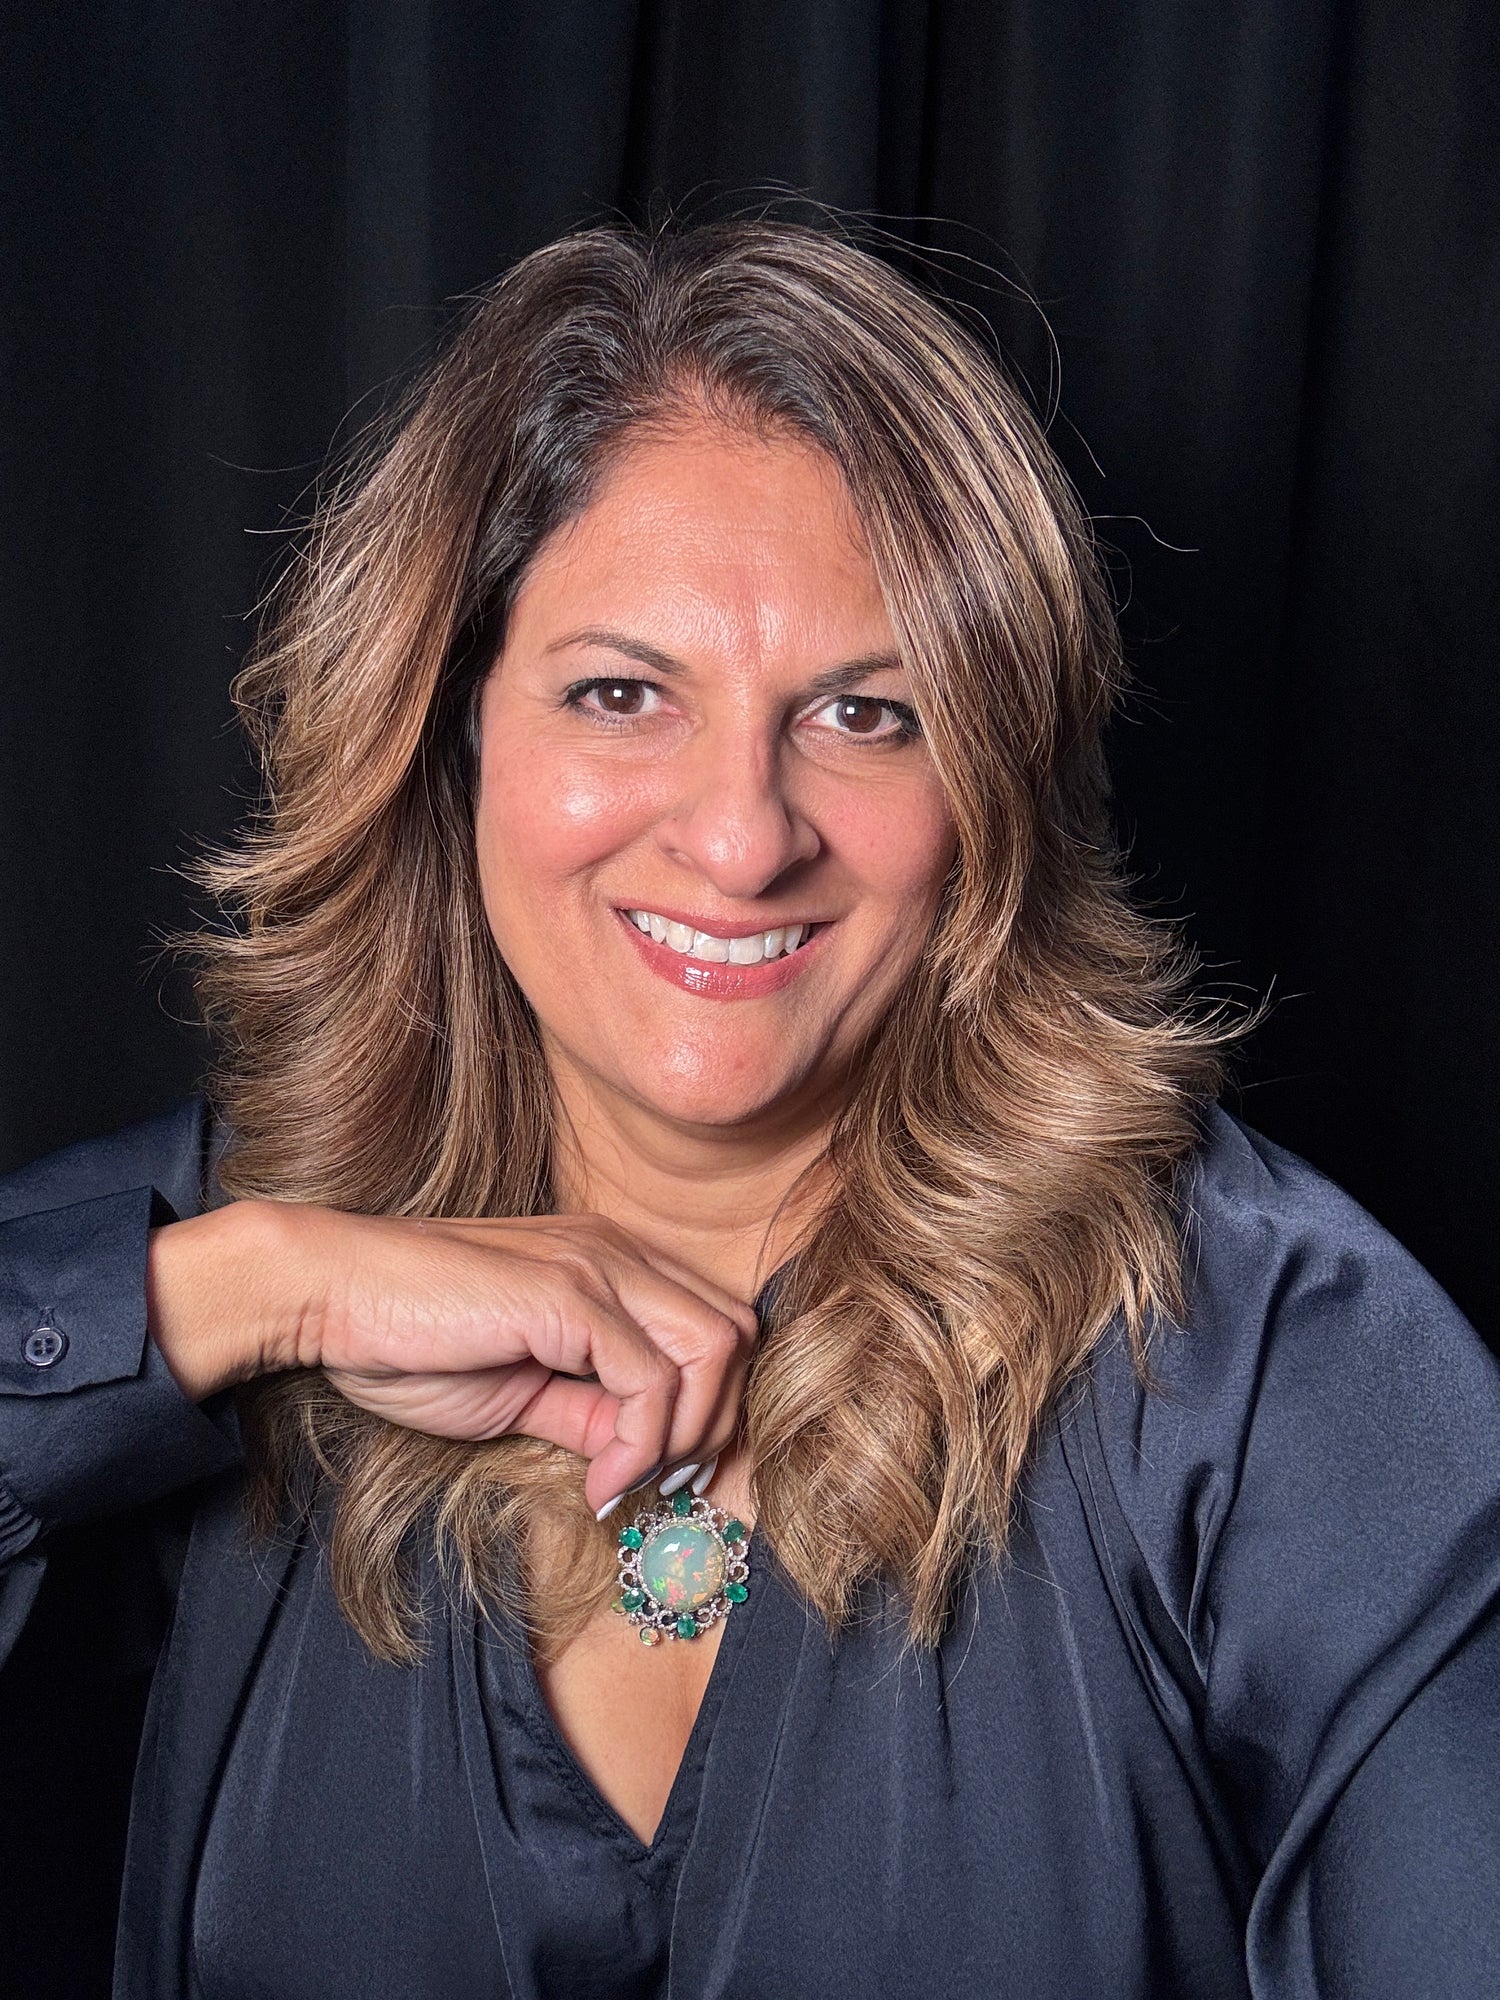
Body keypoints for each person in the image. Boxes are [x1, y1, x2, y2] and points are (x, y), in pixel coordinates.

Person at [1, 220, 1495, 2000]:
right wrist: (247, 1299)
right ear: (452, 726)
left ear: (997, 787)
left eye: (869, 714)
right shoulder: (248, 1250)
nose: (740, 833)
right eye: (623, 694)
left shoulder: (1279, 1369)